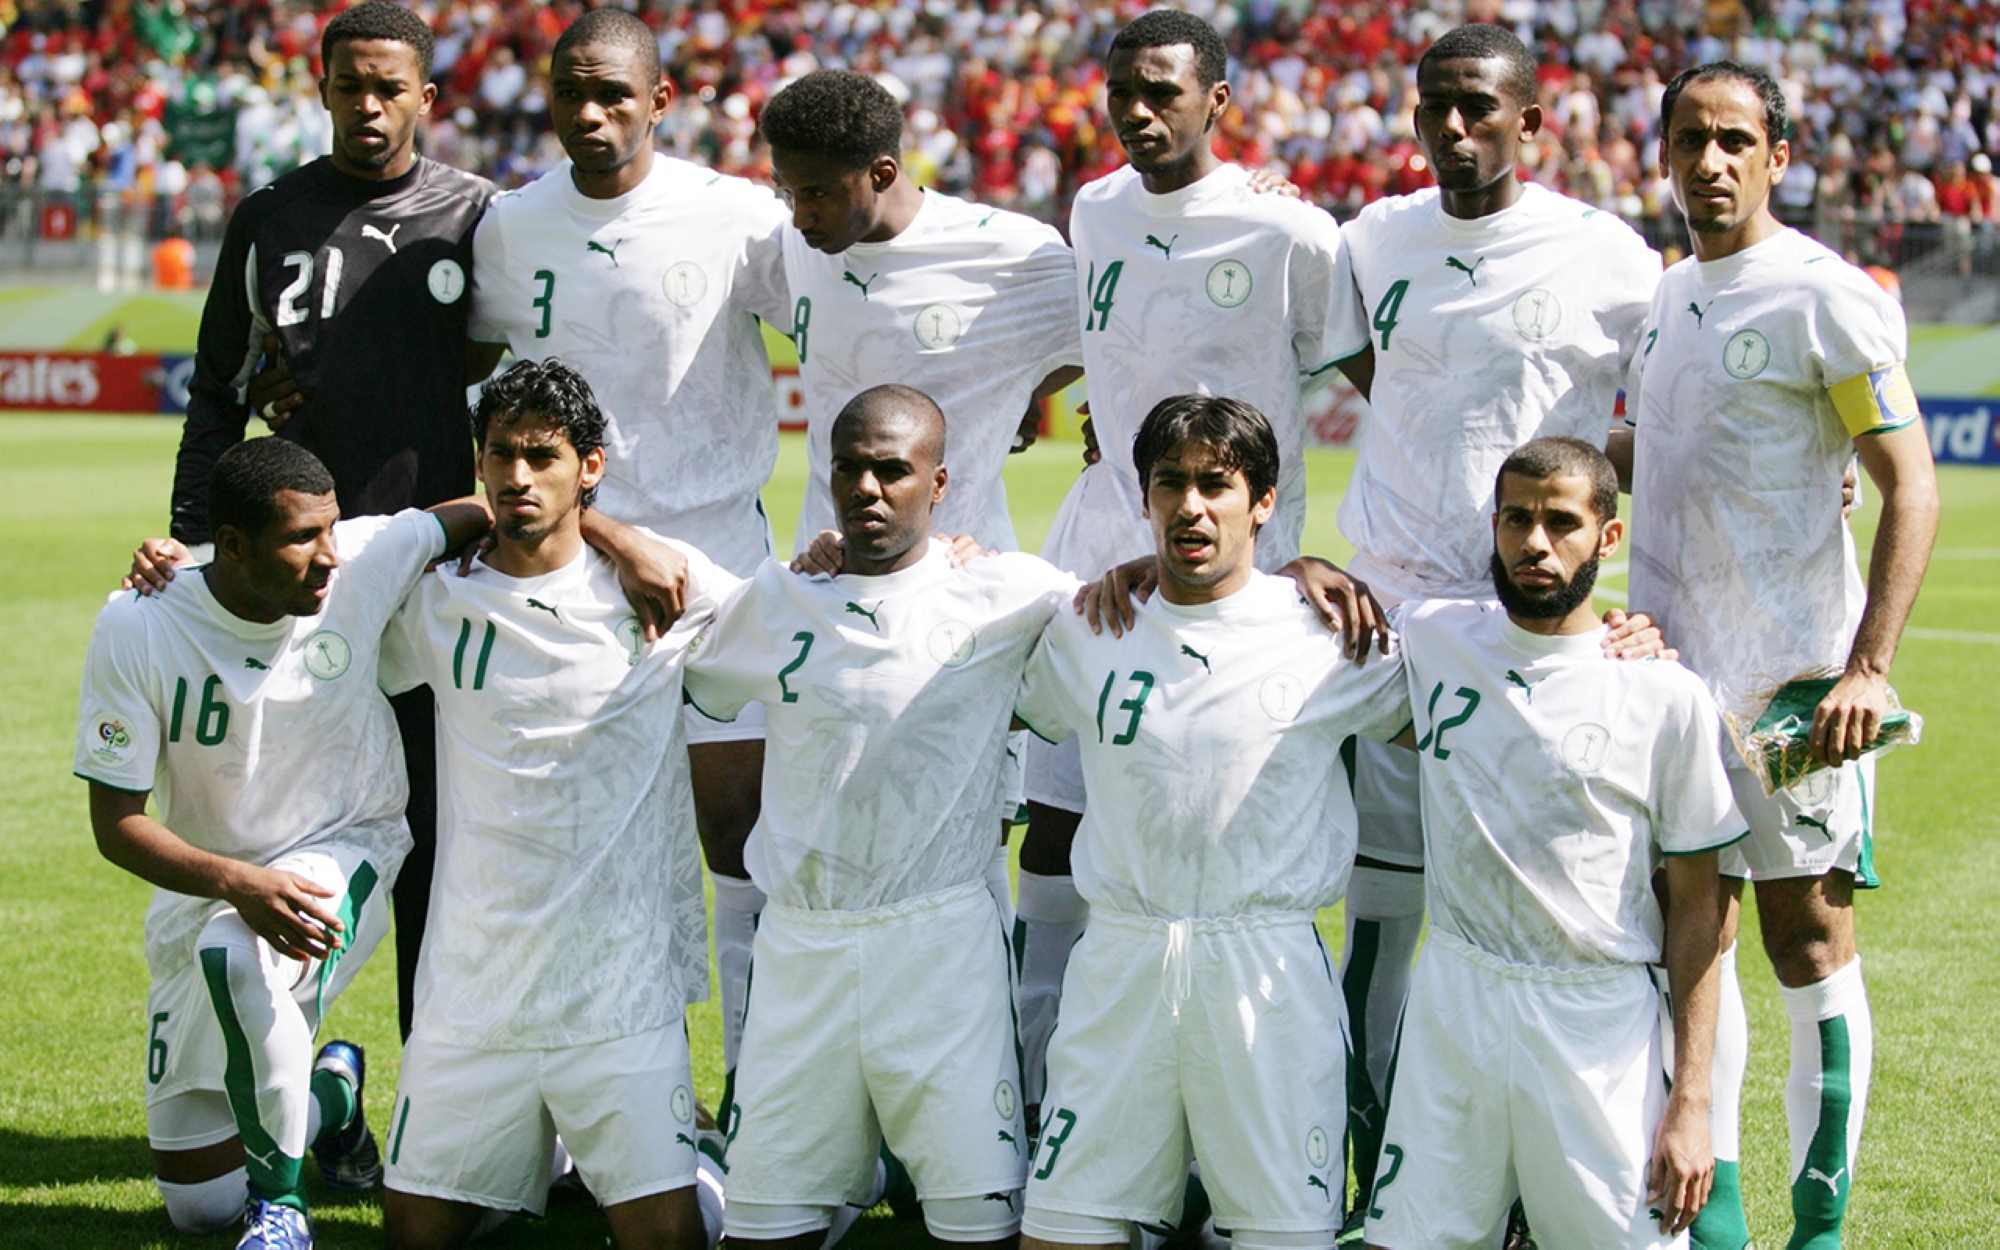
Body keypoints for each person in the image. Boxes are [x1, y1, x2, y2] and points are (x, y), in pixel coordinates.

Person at [1328, 24, 1664, 1225]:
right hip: (1392, 624)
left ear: (1531, 118)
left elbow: (1667, 412)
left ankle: (1543, 1178)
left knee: (1530, 929)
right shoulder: (1369, 241)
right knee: (1384, 912)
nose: (1453, 132)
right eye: (1434, 110)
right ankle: (1381, 1176)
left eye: (1477, 108)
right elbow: (1380, 377)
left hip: (1534, 629)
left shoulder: (1605, 253)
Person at [1016, 9, 1370, 1130]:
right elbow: (1115, 354)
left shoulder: (1291, 236)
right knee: (1063, 826)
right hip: (1104, 566)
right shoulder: (1094, 207)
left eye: (1163, 91)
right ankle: (1043, 1098)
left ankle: (1251, 1103)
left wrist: (1303, 546)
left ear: (1217, 102)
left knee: (1226, 836)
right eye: (1122, 89)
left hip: (1238, 593)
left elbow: (1379, 382)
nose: (1137, 110)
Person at [1615, 61, 1940, 1250]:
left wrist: (1865, 665)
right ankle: (1721, 1216)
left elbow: (1910, 484)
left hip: (1795, 684)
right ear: (1660, 153)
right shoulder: (1662, 302)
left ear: (1776, 157)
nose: (1709, 161)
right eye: (1688, 138)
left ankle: (1817, 1226)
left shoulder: (1821, 295)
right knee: (1686, 932)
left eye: (1734, 140)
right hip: (1671, 683)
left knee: (1803, 937)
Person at [140, 0, 496, 1044]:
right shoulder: (272, 217)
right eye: (352, 85)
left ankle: (432, 1090)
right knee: (293, 827)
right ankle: (302, 1076)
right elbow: (218, 390)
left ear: (428, 97)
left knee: (441, 839)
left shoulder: (481, 216)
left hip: (441, 576)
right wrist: (198, 545)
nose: (370, 105)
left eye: (392, 87)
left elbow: (522, 378)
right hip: (304, 579)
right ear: (323, 88)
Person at [464, 8, 792, 1088]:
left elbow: (859, 307)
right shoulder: (511, 226)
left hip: (721, 554)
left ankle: (756, 1093)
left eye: (614, 94)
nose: (591, 114)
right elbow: (461, 379)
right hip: (574, 568)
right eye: (571, 93)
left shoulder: (737, 216)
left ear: (660, 100)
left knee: (740, 831)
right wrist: (602, 530)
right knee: (579, 842)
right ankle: (596, 1102)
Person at [683, 385, 1080, 1249]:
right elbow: (691, 659)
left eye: (893, 471)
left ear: (939, 486)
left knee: (978, 1226)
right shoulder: (782, 598)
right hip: (801, 953)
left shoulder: (1007, 595)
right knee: (766, 1230)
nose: (867, 488)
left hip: (939, 952)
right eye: (850, 469)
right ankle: (723, 1180)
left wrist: (1301, 577)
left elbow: (1147, 602)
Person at [75, 438, 490, 1249]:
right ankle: (333, 1091)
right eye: (302, 537)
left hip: (349, 841)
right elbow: (116, 824)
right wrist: (233, 880)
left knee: (239, 953)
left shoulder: (362, 559)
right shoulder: (139, 623)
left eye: (331, 528)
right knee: (198, 1207)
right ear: (229, 546)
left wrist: (609, 539)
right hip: (211, 884)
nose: (328, 556)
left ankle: (283, 1214)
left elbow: (481, 510)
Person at [1015, 395, 1407, 1250]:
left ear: (1262, 501)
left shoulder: (1326, 633)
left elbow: (1469, 697)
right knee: (1060, 1234)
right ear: (1145, 497)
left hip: (1263, 974)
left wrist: (1618, 643)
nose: (1191, 506)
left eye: (1216, 485)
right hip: (1121, 964)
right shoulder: (1091, 628)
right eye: (1170, 484)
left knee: (1282, 1237)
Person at [376, 360, 728, 1250]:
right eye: (500, 455)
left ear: (590, 467)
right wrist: (183, 565)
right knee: (416, 1237)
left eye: (543, 455)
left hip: (615, 984)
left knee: (670, 1240)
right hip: (472, 982)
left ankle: (707, 1180)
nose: (518, 477)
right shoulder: (437, 599)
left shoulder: (662, 589)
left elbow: (804, 619)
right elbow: (306, 565)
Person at [1363, 437, 1738, 1249]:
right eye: (1516, 520)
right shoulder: (1434, 640)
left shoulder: (1664, 695)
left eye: (1561, 523)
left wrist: (1694, 1101)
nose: (1535, 543)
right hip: (1455, 998)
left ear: (1608, 538)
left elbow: (1705, 908)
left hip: (1595, 1021)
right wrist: (1303, 572)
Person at [759, 64, 1083, 987]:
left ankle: (981, 1086)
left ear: (885, 170)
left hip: (963, 602)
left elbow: (1123, 327)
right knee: (826, 841)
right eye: (787, 192)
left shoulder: (1014, 255)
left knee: (963, 852)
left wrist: (1022, 395)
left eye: (817, 193)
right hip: (828, 590)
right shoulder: (792, 247)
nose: (799, 215)